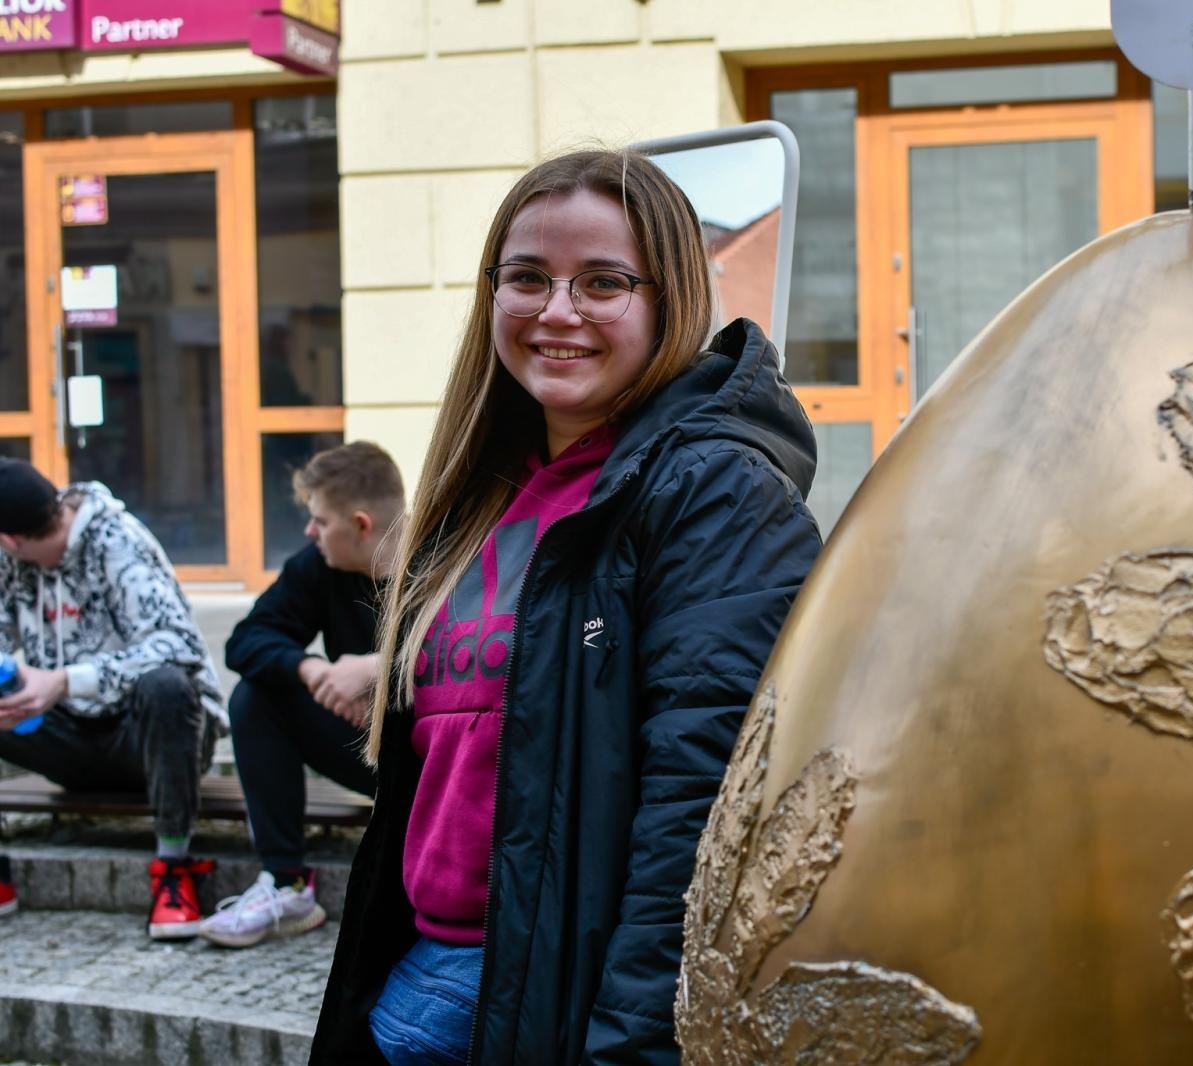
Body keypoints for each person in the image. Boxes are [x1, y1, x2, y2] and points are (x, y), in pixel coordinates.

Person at [310, 149, 822, 1064]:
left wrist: (629, 1044)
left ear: (668, 297)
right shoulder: (479, 493)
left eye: (602, 282)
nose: (557, 311)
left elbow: (702, 810)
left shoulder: (715, 491)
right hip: (427, 978)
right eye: (527, 279)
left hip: (562, 999)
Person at [0, 459, 227, 938]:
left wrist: (63, 680)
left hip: (155, 739)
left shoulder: (116, 539)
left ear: (9, 540)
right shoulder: (10, 562)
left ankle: (174, 867)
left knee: (165, 683)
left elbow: (178, 644)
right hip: (68, 737)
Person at [199, 441, 403, 949]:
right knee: (256, 696)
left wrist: (378, 669)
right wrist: (311, 669)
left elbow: (508, 654)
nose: (309, 532)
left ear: (361, 524)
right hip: (370, 751)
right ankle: (285, 885)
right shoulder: (319, 565)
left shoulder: (450, 558)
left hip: (445, 764)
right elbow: (246, 640)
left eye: (320, 520)